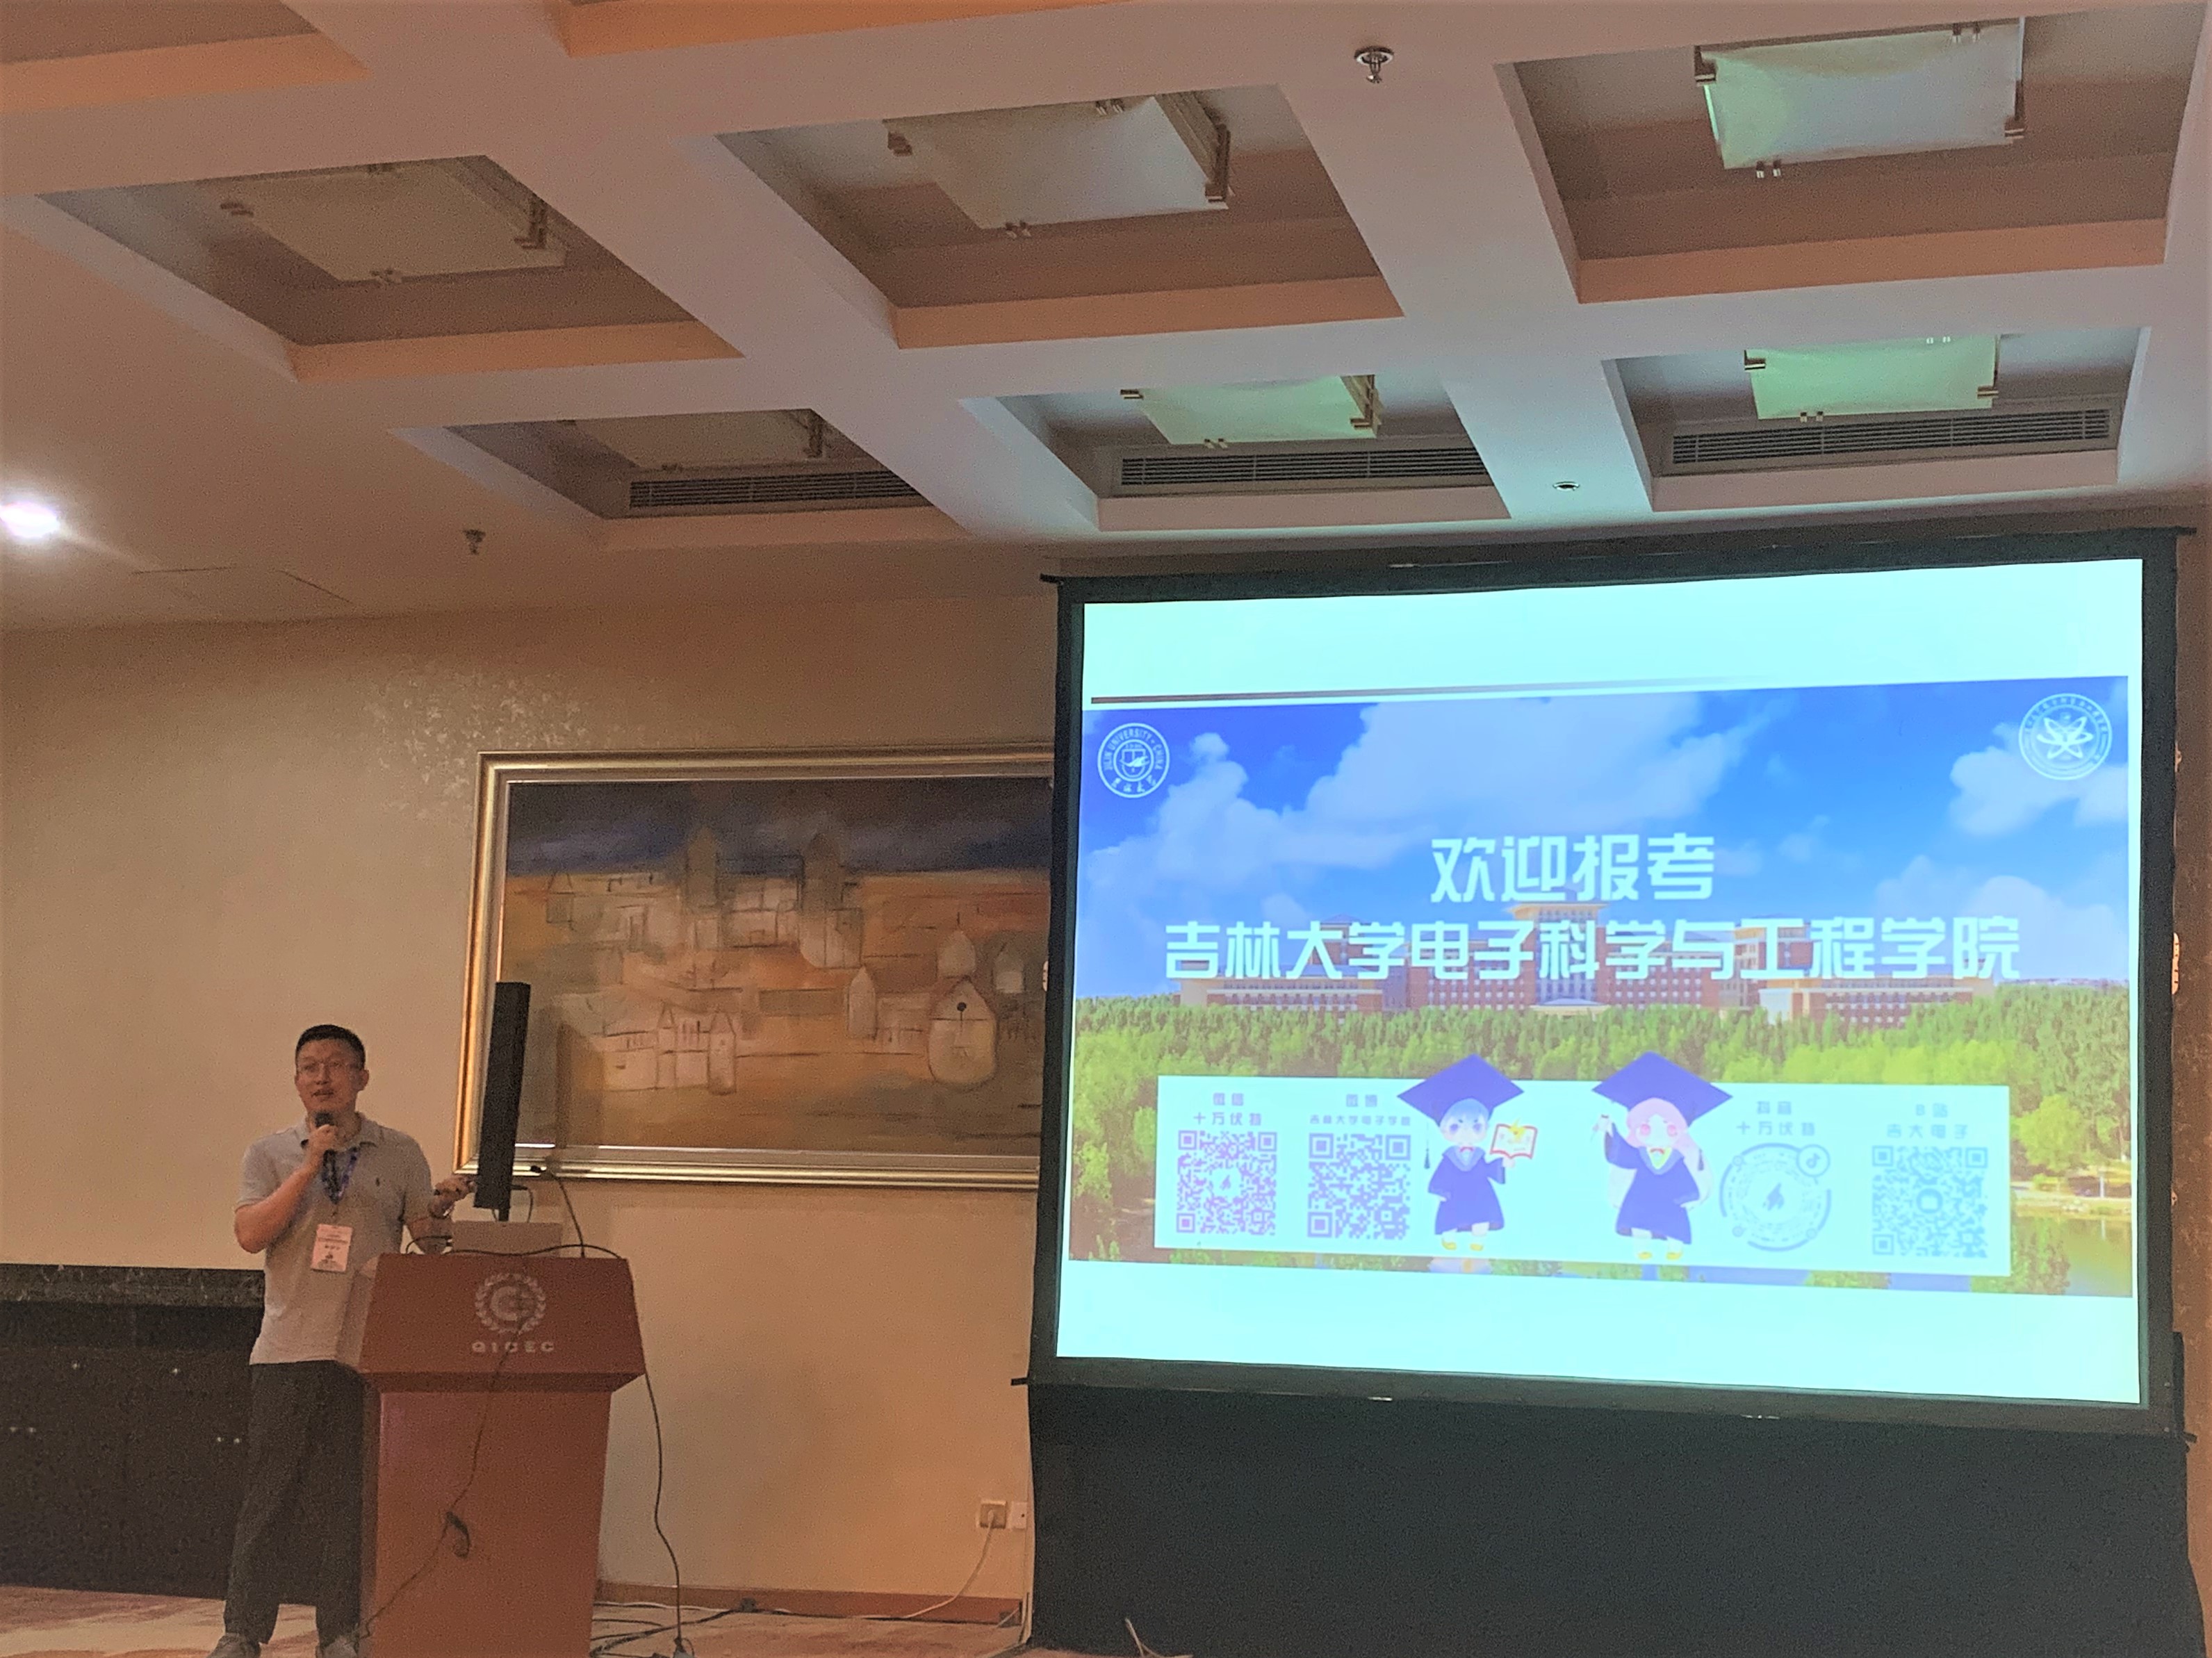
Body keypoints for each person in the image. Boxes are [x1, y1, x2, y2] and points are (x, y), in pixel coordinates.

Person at [208, 1025, 475, 1658]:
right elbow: (250, 1235)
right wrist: (308, 1168)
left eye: (335, 1065)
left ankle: (340, 1633)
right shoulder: (270, 1153)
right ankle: (243, 1631)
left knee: (346, 1502)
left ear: (362, 1077)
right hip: (288, 1348)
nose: (322, 1077)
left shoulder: (399, 1151)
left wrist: (440, 1208)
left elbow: (426, 1243)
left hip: (365, 1350)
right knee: (269, 1500)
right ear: (297, 1081)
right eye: (309, 1067)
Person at [1593, 1051, 1727, 1262]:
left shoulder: (1679, 1158)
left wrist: (1688, 1196)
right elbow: (1621, 1155)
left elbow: (1686, 1179)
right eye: (1646, 1127)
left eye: (1669, 1127)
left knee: (1672, 1226)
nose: (1657, 1133)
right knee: (1639, 1224)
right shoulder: (1638, 1154)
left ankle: (1674, 1249)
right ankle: (1642, 1249)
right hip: (1640, 1198)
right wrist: (1609, 1129)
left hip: (1669, 1200)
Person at [1400, 1051, 1525, 1264]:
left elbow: (1488, 1169)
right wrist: (1439, 1191)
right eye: (1456, 1126)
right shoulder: (1448, 1157)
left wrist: (1504, 1163)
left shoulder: (1479, 1155)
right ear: (1444, 1130)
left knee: (1482, 1217)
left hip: (1480, 1193)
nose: (1467, 1132)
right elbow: (1440, 1176)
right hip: (1455, 1194)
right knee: (1451, 1218)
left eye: (1476, 1126)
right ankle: (1449, 1239)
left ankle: (1478, 1241)